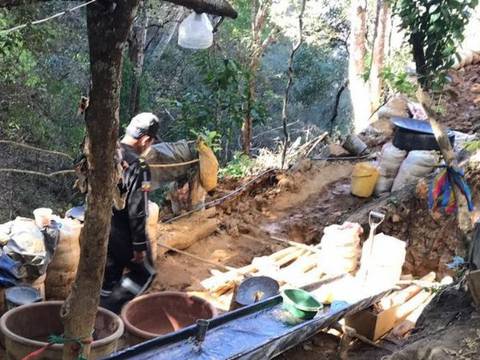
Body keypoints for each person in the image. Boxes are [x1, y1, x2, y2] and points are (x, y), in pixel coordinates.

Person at [100, 112, 159, 313]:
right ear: (145, 140)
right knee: (145, 273)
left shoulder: (108, 151)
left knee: (110, 277)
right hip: (122, 231)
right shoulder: (138, 165)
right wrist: (139, 246)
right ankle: (108, 311)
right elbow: (137, 209)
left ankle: (97, 315)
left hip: (101, 226)